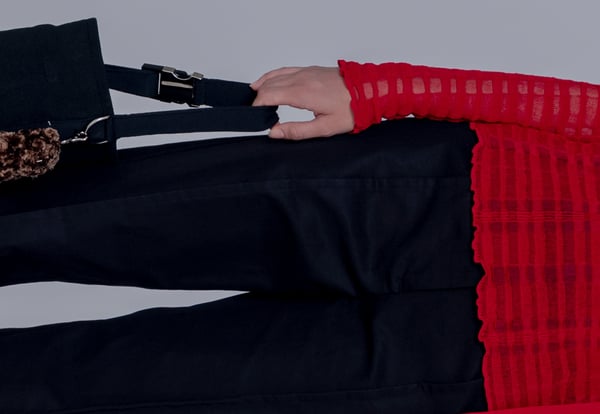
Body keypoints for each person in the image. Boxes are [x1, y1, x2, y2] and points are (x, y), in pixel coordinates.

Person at [0, 59, 596, 413]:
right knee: (58, 217)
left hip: (494, 369)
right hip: (456, 189)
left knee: (90, 389)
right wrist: (384, 89)